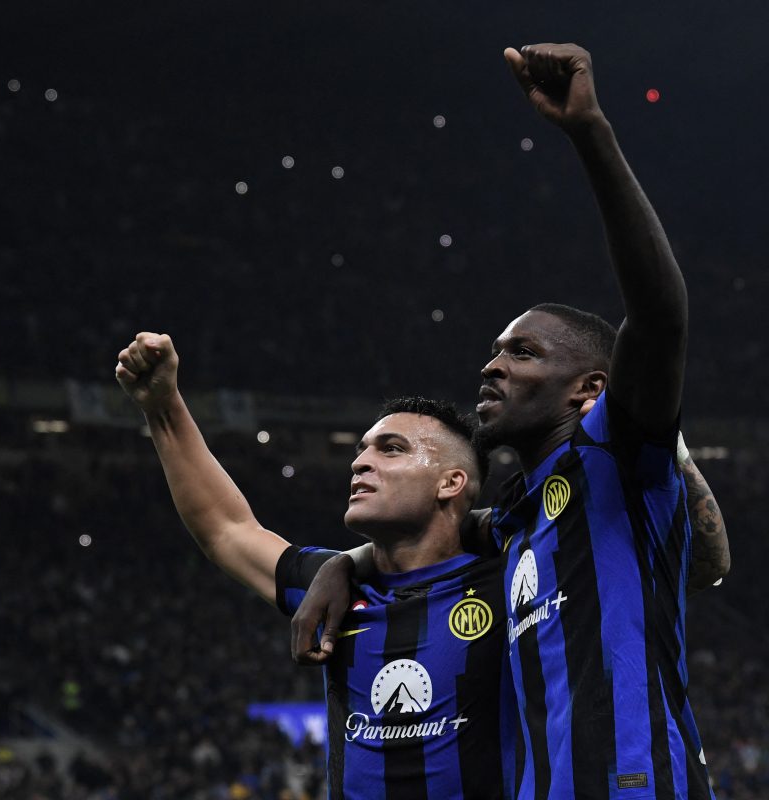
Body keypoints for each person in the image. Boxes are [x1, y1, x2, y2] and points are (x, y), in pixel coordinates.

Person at [291, 43, 724, 799]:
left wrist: (590, 133)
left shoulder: (615, 458)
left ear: (588, 390)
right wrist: (343, 562)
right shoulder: (515, 517)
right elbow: (423, 537)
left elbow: (660, 316)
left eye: (523, 354)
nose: (492, 367)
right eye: (494, 351)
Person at [114, 332, 514, 799]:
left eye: (391, 449)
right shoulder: (334, 587)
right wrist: (163, 408)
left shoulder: (511, 577)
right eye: (362, 449)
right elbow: (225, 530)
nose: (360, 463)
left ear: (451, 483)